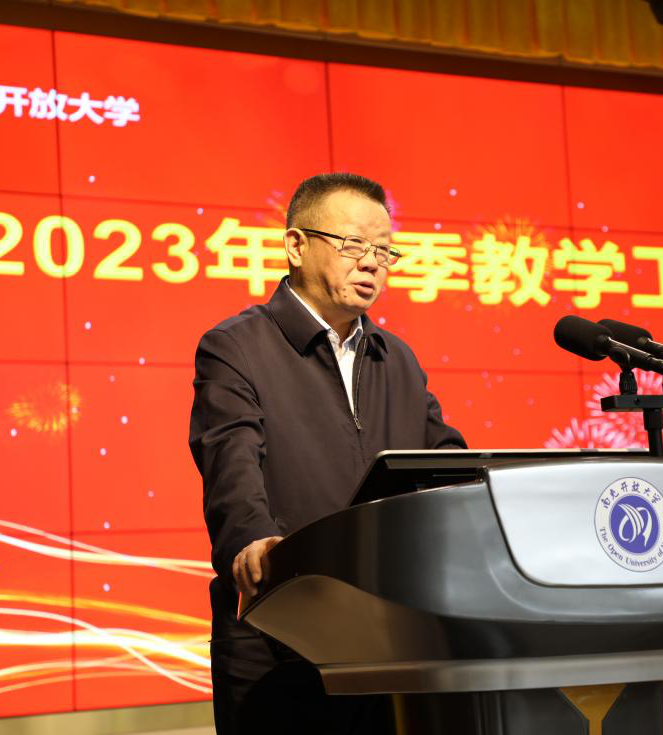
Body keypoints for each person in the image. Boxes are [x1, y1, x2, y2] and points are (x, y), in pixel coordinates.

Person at [189, 172, 467, 734]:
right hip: (278, 626)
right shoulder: (237, 346)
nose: (372, 264)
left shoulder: (397, 358)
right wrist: (251, 539)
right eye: (353, 245)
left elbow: (445, 462)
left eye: (383, 251)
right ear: (296, 245)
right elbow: (230, 457)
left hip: (386, 630)